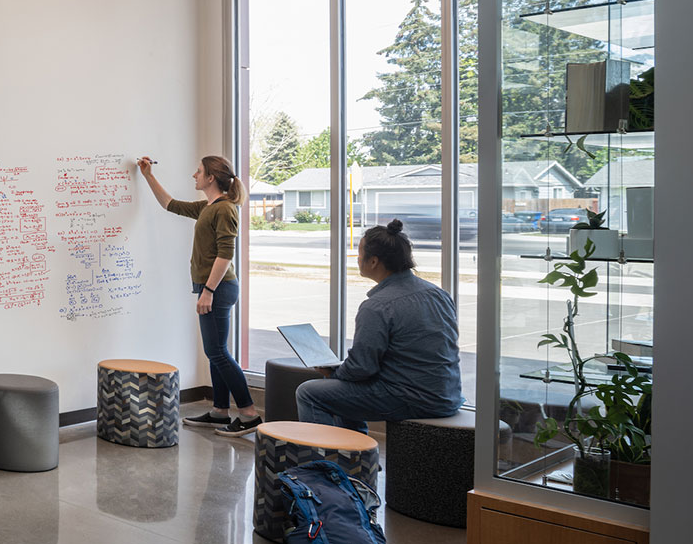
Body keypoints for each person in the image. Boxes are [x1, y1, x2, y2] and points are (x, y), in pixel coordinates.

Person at [295, 219, 463, 433]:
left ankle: (326, 463)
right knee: (341, 391)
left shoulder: (377, 306)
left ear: (373, 261)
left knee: (309, 393)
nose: (356, 259)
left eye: (358, 253)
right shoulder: (438, 294)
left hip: (412, 398)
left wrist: (334, 373)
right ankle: (356, 459)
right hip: (447, 394)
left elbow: (362, 368)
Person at [137, 155, 260, 436]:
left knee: (216, 352)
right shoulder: (208, 207)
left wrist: (208, 291)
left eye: (199, 171)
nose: (194, 175)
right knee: (216, 352)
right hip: (213, 288)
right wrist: (148, 176)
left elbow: (225, 255)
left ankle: (250, 414)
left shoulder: (225, 209)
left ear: (211, 177)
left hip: (218, 288)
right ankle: (219, 411)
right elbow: (171, 205)